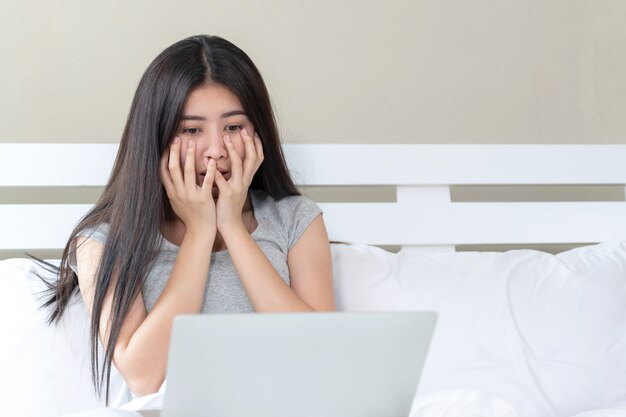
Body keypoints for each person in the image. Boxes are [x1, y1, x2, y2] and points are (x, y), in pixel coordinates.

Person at [42, 34, 335, 405]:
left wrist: (231, 225)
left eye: (233, 127)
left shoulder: (296, 220)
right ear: (157, 137)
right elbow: (146, 377)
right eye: (192, 130)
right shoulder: (103, 241)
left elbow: (322, 357)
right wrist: (199, 232)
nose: (215, 151)